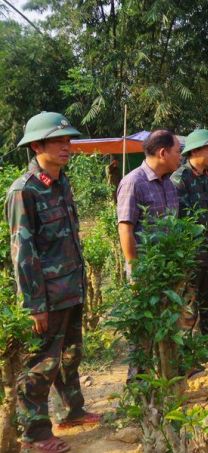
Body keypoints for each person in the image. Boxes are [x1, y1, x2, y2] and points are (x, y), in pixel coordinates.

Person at [5, 112, 100, 453]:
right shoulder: (23, 192)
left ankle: (73, 410)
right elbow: (23, 254)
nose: (67, 146)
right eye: (59, 141)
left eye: (68, 140)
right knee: (42, 364)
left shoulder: (61, 183)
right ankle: (35, 432)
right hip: (46, 296)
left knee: (71, 355)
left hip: (71, 288)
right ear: (36, 145)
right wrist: (34, 305)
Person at [116, 129, 181, 380]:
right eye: (178, 152)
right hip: (146, 268)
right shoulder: (134, 182)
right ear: (163, 153)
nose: (181, 158)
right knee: (143, 331)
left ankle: (167, 378)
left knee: (168, 324)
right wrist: (135, 268)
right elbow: (126, 228)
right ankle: (139, 385)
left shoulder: (169, 183)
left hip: (169, 267)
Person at [171, 129, 208, 359]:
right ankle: (187, 359)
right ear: (194, 151)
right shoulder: (180, 180)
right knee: (188, 311)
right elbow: (176, 220)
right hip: (191, 258)